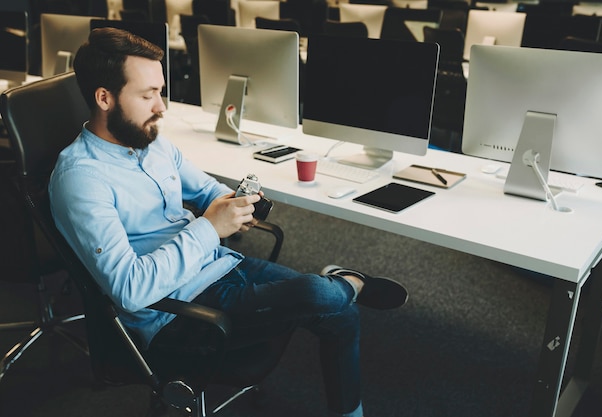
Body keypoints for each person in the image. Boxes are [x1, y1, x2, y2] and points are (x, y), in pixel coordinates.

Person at [49, 27, 408, 417]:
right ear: (104, 98)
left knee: (340, 312)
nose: (162, 106)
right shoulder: (82, 178)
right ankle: (349, 281)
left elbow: (205, 190)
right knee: (320, 295)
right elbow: (131, 291)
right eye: (148, 94)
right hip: (176, 315)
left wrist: (232, 203)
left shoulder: (151, 143)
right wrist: (209, 227)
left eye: (161, 91)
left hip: (217, 266)